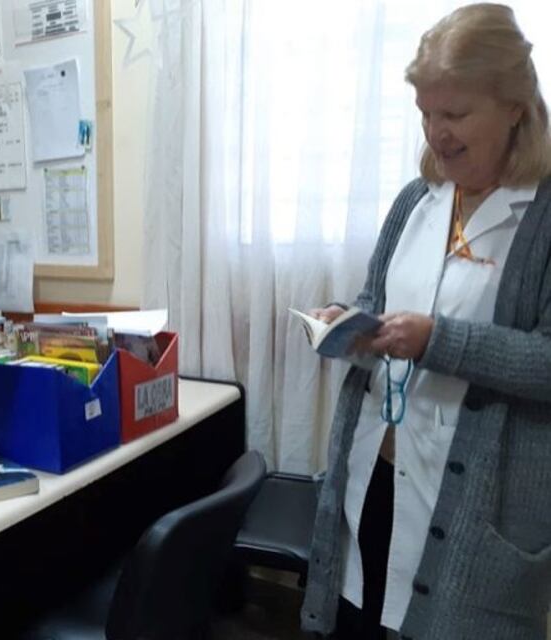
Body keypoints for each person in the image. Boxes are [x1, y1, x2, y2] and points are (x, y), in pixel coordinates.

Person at [300, 5, 551, 639]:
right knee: (360, 619)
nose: (436, 134)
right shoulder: (417, 199)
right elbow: (378, 301)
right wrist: (350, 324)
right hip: (378, 475)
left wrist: (439, 341)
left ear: (514, 106)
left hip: (474, 512)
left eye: (455, 114)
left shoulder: (543, 218)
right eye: (425, 113)